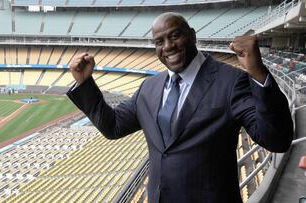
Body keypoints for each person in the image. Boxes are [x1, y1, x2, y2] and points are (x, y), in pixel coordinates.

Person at [67, 12, 293, 203]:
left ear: (192, 36)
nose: (168, 46)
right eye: (159, 42)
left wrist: (259, 73)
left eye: (175, 36)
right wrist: (85, 83)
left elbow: (276, 140)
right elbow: (113, 126)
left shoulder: (231, 81)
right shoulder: (149, 87)